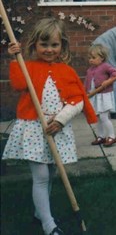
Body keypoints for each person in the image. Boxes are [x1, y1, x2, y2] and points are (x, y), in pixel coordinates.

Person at [2, 18, 97, 235]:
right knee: (41, 176)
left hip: (57, 128)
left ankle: (39, 212)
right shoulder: (29, 67)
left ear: (62, 46)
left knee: (53, 171)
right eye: (44, 45)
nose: (49, 50)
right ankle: (48, 224)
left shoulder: (66, 71)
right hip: (34, 128)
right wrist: (16, 59)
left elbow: (77, 100)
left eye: (54, 45)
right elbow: (18, 85)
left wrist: (60, 120)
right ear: (34, 44)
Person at [84, 44, 116, 147]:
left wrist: (108, 81)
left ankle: (112, 136)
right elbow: (87, 82)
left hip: (104, 96)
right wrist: (85, 92)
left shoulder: (105, 66)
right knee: (97, 117)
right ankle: (101, 136)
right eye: (89, 58)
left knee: (104, 117)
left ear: (102, 58)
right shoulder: (90, 70)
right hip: (94, 96)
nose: (91, 60)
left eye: (93, 58)